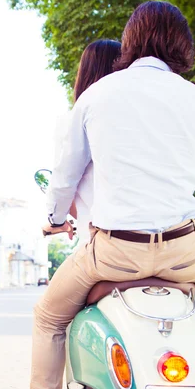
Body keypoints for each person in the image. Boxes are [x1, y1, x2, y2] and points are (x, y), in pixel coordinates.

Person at [13, 1, 195, 389]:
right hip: (184, 249)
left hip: (113, 251)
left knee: (49, 317)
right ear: (183, 45)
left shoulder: (96, 97)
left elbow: (64, 179)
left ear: (131, 41)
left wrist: (57, 218)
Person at [55, 39, 122, 244]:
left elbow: (64, 183)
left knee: (59, 279)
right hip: (168, 243)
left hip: (101, 245)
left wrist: (56, 220)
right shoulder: (140, 122)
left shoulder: (75, 119)